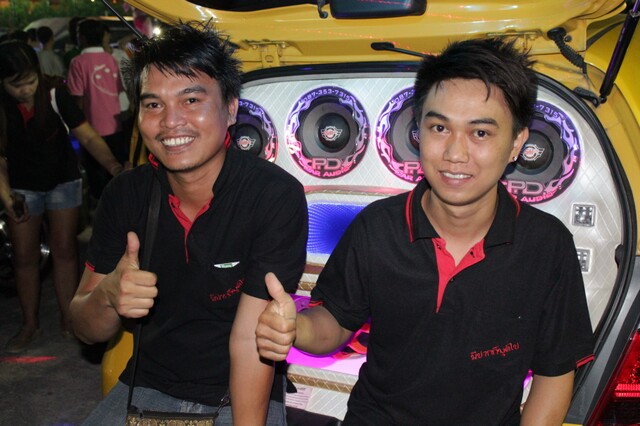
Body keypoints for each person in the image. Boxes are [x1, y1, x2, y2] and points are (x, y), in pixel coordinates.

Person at [256, 38, 595, 425]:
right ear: (418, 130)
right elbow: (334, 322)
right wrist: (294, 328)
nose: (455, 154)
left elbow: (554, 374)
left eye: (480, 133)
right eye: (439, 128)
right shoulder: (377, 227)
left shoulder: (547, 245)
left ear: (517, 142)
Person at [69, 21, 307, 425]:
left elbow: (249, 340)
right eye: (153, 105)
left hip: (238, 390)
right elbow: (83, 328)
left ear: (231, 108)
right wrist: (108, 295)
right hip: (147, 385)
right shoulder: (125, 194)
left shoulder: (273, 196)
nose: (170, 122)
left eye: (191, 99)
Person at [0, 40, 126, 353]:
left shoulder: (56, 93)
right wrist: (6, 197)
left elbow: (87, 135)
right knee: (24, 257)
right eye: (16, 84)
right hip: (21, 187)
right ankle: (29, 324)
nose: (25, 90)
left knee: (65, 251)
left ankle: (70, 318)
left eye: (30, 80)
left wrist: (113, 166)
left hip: (63, 182)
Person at [67, 19, 127, 201]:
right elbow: (118, 90)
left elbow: (77, 96)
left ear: (82, 38)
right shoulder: (111, 59)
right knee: (115, 170)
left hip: (91, 127)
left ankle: (100, 207)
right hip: (115, 123)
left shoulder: (78, 62)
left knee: (95, 173)